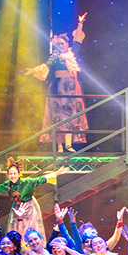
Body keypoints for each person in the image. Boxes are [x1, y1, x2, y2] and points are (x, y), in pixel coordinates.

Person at [25, 13, 89, 152]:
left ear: (67, 43)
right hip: (59, 87)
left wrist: (80, 24)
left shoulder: (72, 53)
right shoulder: (55, 56)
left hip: (72, 87)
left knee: (71, 116)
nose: (60, 46)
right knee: (59, 116)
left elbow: (78, 41)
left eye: (62, 43)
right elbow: (47, 64)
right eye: (58, 44)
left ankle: (68, 145)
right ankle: (60, 145)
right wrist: (34, 70)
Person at [0, 157, 69, 240]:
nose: (12, 176)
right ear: (8, 175)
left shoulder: (27, 182)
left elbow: (40, 179)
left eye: (14, 174)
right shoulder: (7, 185)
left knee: (30, 228)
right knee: (17, 227)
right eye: (10, 174)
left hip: (30, 207)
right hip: (17, 207)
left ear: (19, 174)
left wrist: (57, 173)